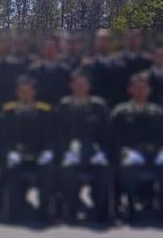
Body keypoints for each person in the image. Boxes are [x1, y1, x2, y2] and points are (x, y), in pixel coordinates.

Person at [110, 73, 163, 222]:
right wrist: (123, 151)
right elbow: (113, 137)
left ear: (149, 90)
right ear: (129, 90)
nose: (140, 91)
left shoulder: (157, 112)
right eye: (136, 88)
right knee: (129, 168)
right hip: (130, 152)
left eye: (143, 88)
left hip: (154, 152)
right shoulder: (120, 111)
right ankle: (131, 206)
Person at [56, 71, 112, 224]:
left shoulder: (99, 105)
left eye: (83, 84)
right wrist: (65, 152)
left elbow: (107, 132)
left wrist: (102, 152)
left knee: (102, 170)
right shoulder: (64, 105)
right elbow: (59, 132)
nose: (80, 87)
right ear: (71, 86)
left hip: (94, 149)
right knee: (68, 171)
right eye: (77, 84)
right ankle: (71, 210)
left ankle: (101, 212)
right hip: (71, 150)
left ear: (89, 86)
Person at [0, 75, 55, 223]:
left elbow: (51, 135)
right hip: (17, 154)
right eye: (21, 91)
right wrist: (10, 152)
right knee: (12, 170)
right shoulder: (8, 111)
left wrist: (47, 151)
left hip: (39, 154)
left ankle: (44, 212)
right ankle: (14, 213)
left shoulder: (45, 111)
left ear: (34, 92)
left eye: (28, 91)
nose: (25, 94)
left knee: (48, 171)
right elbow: (3, 137)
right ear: (16, 92)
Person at [80, 29, 128, 108]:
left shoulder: (121, 66)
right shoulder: (88, 65)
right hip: (93, 107)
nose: (103, 44)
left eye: (106, 41)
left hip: (115, 106)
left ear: (111, 43)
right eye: (100, 40)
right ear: (95, 43)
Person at [27, 35, 71, 106]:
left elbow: (68, 90)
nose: (49, 51)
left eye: (52, 48)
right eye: (47, 48)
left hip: (60, 105)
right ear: (42, 50)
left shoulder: (65, 70)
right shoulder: (34, 70)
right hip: (40, 106)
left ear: (57, 50)